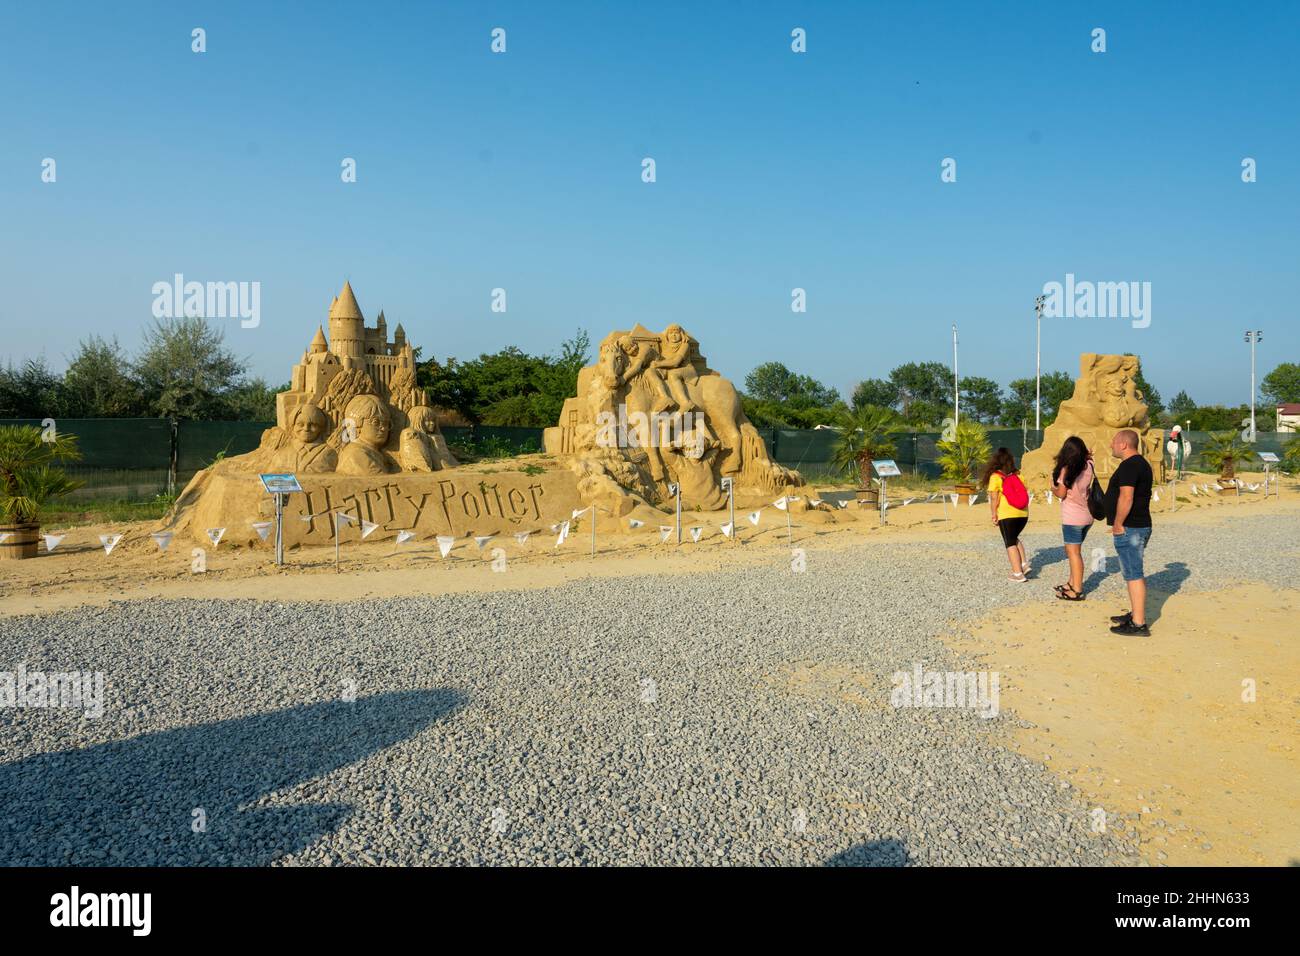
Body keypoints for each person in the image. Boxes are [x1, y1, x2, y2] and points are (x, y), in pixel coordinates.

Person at [1105, 429, 1154, 636]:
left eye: (1114, 442)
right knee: (1132, 572)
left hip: (1131, 527)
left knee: (1133, 574)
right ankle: (1136, 613)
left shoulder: (1130, 466)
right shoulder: (1140, 464)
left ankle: (1139, 623)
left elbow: (1126, 497)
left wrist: (1118, 523)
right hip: (1136, 525)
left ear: (1124, 444)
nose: (1111, 445)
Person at [1051, 436, 1095, 601]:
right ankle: (1071, 582)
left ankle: (1076, 589)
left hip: (1072, 517)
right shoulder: (1089, 465)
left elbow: (1061, 494)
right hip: (1087, 516)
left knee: (1074, 553)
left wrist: (1053, 488)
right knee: (1074, 552)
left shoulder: (1066, 470)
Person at [981, 448, 1030, 582]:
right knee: (1014, 537)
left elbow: (994, 498)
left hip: (1007, 514)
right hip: (1023, 514)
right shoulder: (1019, 476)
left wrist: (993, 514)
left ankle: (1017, 573)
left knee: (1009, 543)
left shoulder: (995, 477)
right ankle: (1024, 564)